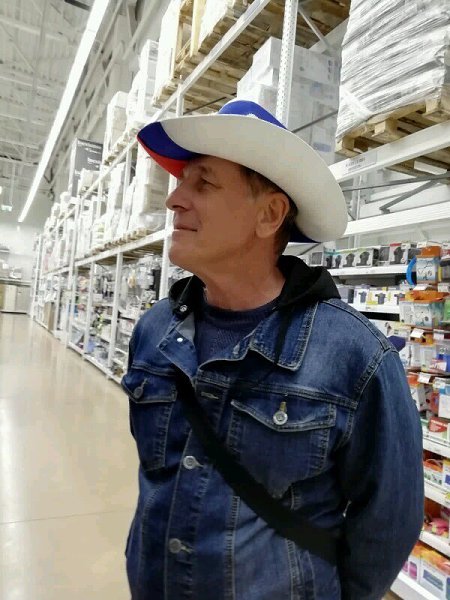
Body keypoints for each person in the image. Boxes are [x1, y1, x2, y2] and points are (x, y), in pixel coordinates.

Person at [121, 99, 424, 600]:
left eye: (203, 183)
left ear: (269, 214)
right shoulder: (155, 330)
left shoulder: (356, 357)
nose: (174, 199)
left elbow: (389, 520)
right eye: (180, 182)